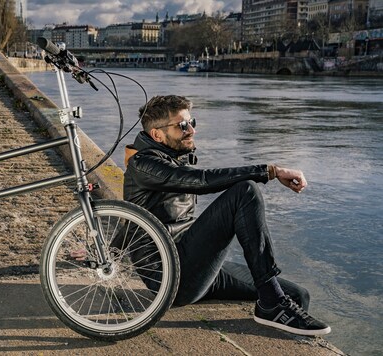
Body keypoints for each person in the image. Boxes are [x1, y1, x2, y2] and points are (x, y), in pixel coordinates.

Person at [123, 95, 331, 336]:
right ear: (157, 135)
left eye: (192, 123)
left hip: (193, 263)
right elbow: (201, 181)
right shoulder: (143, 163)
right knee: (245, 192)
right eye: (182, 125)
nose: (191, 130)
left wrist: (102, 248)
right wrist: (270, 171)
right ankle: (272, 305)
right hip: (171, 276)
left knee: (297, 295)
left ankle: (279, 313)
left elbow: (131, 212)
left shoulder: (172, 158)